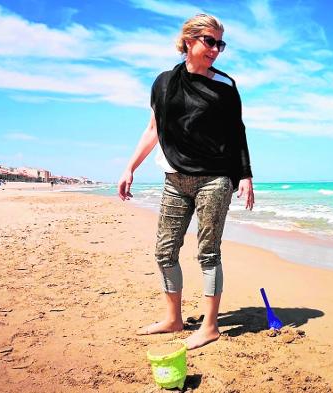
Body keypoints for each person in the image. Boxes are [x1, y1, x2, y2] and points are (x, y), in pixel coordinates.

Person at [117, 13, 254, 350]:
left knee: (208, 253)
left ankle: (209, 326)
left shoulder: (225, 88)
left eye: (220, 44)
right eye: (210, 41)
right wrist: (130, 166)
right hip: (174, 178)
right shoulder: (164, 82)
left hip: (215, 180)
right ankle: (173, 318)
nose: (216, 50)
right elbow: (153, 129)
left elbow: (238, 134)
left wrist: (246, 175)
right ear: (189, 40)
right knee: (165, 251)